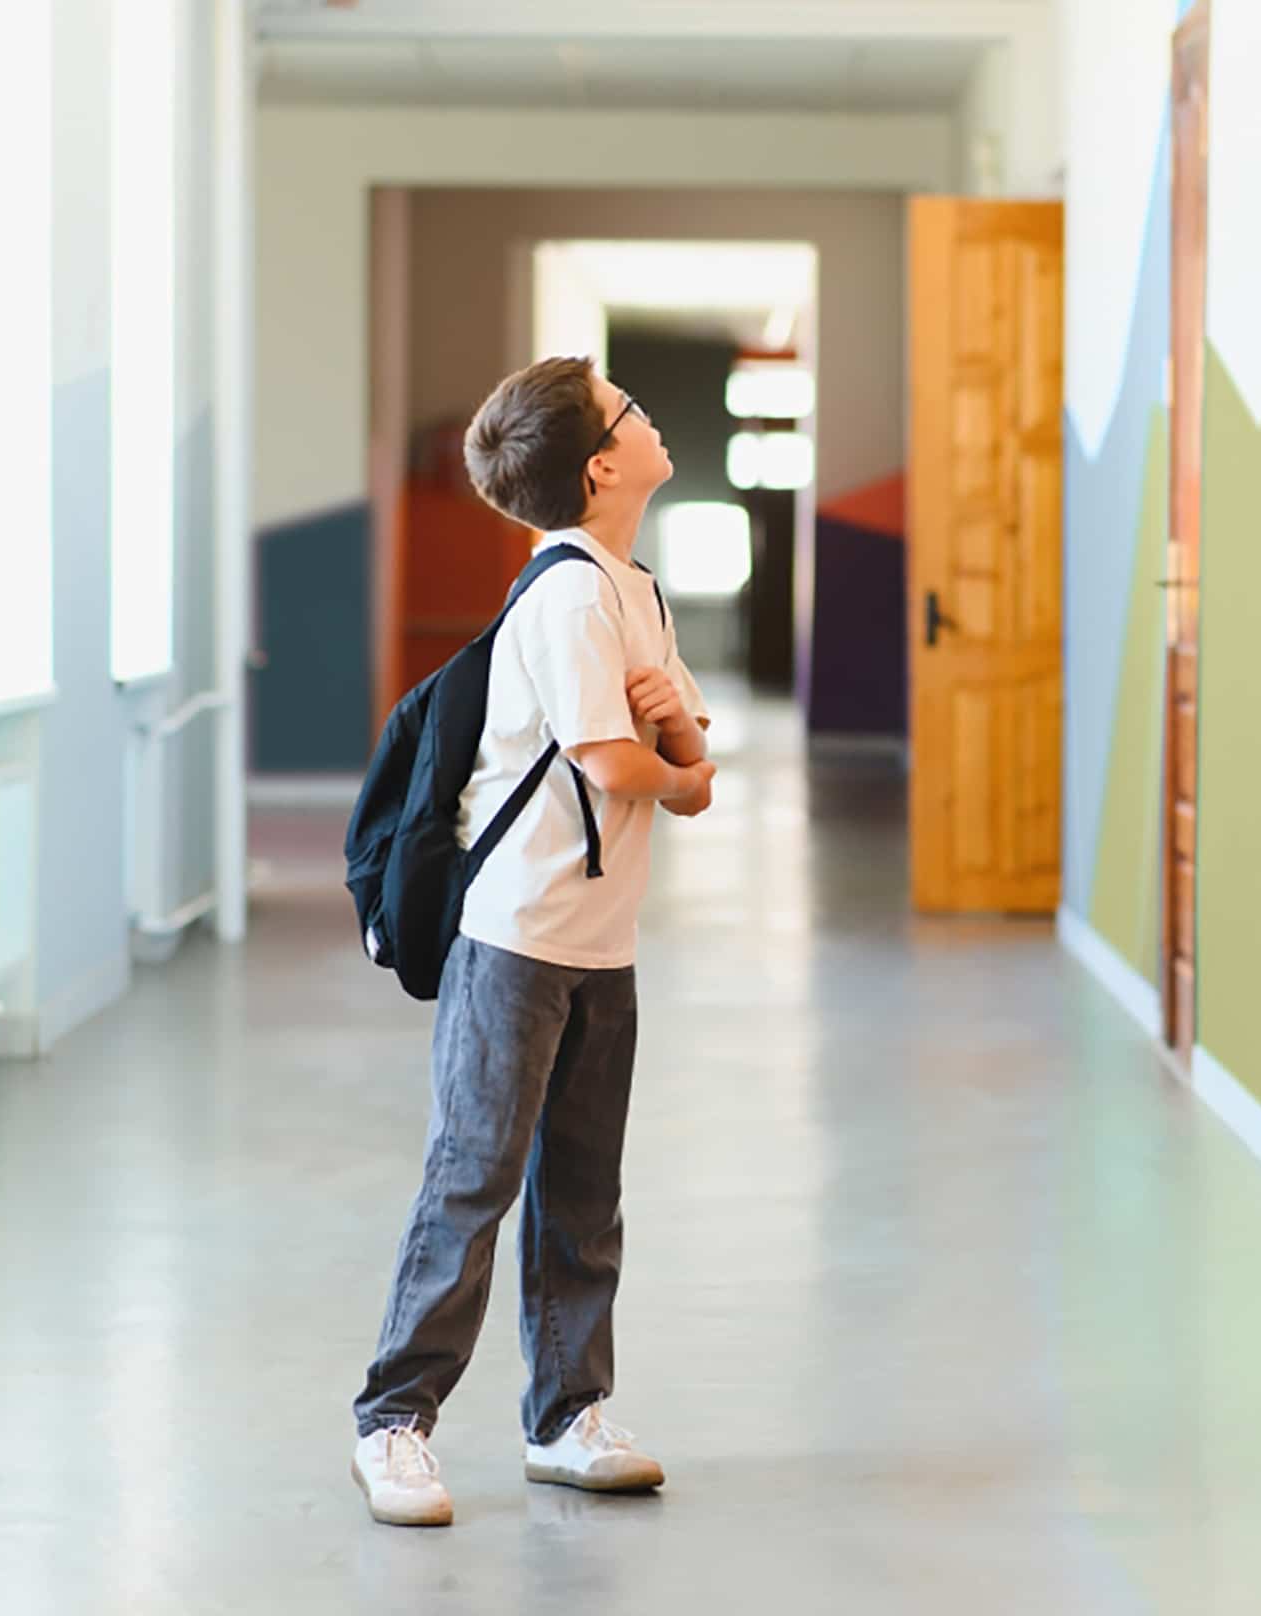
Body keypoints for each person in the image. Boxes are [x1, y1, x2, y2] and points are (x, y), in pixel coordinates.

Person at [350, 356, 716, 1527]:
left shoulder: (632, 586)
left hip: (600, 944)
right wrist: (671, 753)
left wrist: (675, 741)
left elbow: (691, 764)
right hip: (514, 938)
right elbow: (619, 762)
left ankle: (567, 1415)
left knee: (582, 1190)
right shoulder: (568, 596)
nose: (645, 412)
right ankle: (393, 1422)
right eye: (627, 409)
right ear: (603, 466)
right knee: (473, 1177)